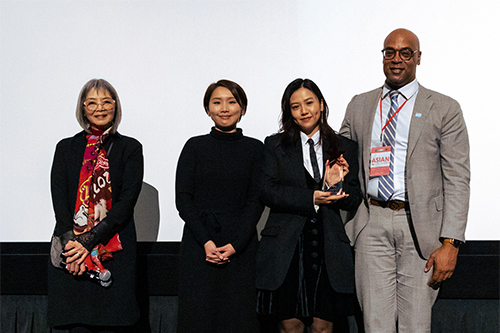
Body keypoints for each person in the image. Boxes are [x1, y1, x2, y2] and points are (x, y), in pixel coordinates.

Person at [339, 28, 470, 332]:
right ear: (383, 56)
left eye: (405, 52)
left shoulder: (445, 108)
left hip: (421, 229)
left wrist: (451, 242)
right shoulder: (359, 104)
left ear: (418, 58)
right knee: (374, 324)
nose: (397, 59)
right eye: (390, 52)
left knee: (415, 326)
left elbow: (458, 178)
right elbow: (338, 158)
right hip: (371, 222)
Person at [256, 78, 362, 333]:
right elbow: (267, 191)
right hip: (285, 247)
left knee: (323, 327)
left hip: (328, 247)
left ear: (322, 105)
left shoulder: (344, 146)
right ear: (289, 113)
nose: (303, 111)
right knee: (289, 327)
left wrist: (339, 187)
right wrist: (311, 198)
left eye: (309, 103)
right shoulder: (275, 145)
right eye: (295, 106)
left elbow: (355, 197)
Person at [48, 79, 144, 332]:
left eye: (106, 101)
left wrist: (87, 242)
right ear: (83, 108)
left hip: (114, 250)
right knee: (77, 324)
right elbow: (59, 200)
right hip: (72, 254)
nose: (99, 107)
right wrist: (73, 245)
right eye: (92, 102)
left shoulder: (130, 148)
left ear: (115, 106)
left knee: (113, 323)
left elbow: (126, 203)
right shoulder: (65, 147)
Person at [175, 79, 264, 332]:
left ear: (243, 109)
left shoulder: (256, 149)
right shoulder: (194, 146)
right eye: (217, 102)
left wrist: (236, 245)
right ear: (207, 109)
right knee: (198, 320)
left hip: (241, 248)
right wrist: (205, 241)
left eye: (232, 101)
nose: (224, 108)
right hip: (199, 246)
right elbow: (183, 199)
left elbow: (256, 201)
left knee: (238, 320)